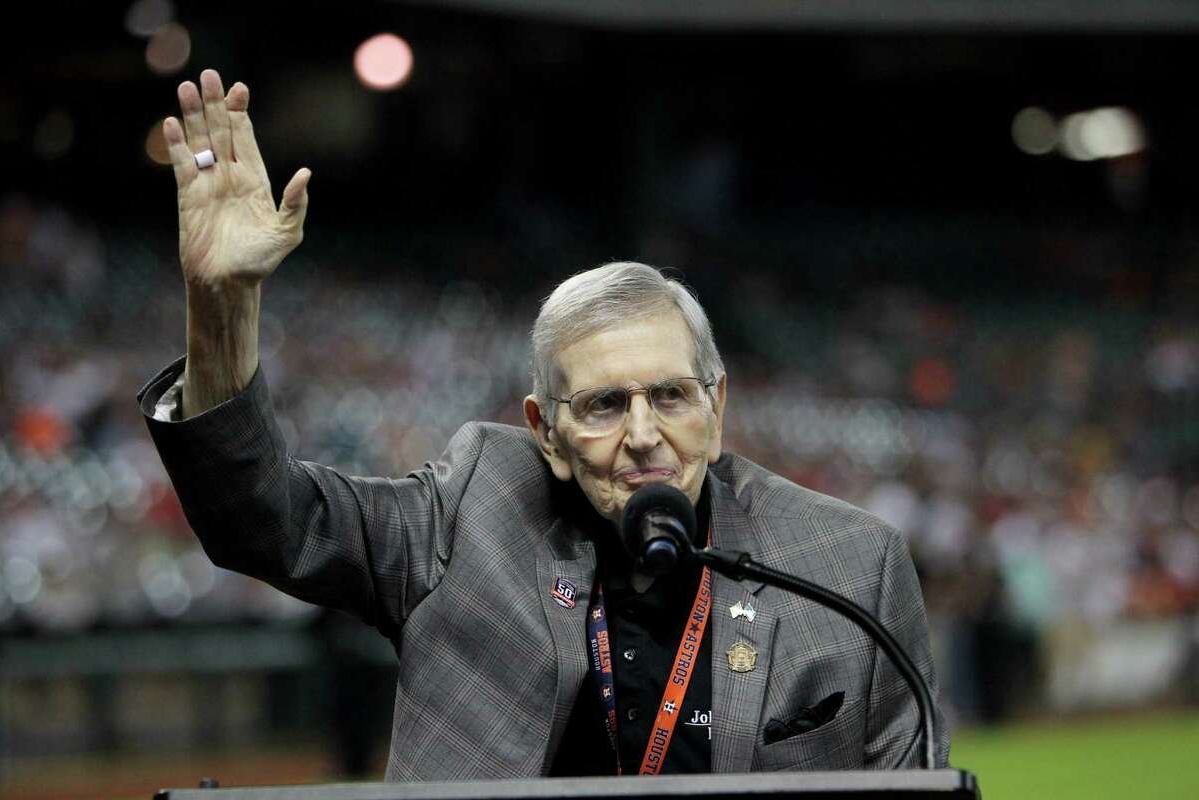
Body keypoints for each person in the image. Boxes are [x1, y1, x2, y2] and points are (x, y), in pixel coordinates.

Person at [140, 68, 949, 780]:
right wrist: (220, 309)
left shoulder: (845, 568)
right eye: (603, 404)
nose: (642, 433)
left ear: (716, 405)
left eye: (670, 396)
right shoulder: (469, 513)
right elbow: (266, 524)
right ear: (545, 431)